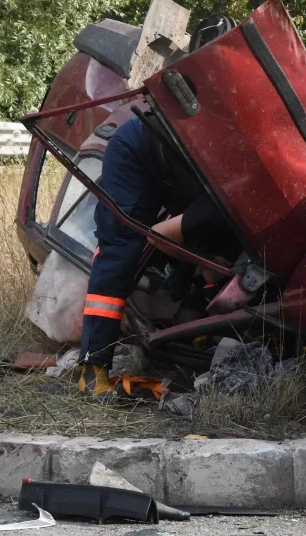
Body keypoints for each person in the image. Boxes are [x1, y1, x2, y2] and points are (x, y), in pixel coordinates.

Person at [78, 112, 234, 396]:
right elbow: (158, 235)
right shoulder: (217, 210)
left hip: (178, 175)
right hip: (136, 153)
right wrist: (193, 263)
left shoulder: (232, 220)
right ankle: (93, 373)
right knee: (120, 253)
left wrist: (195, 268)